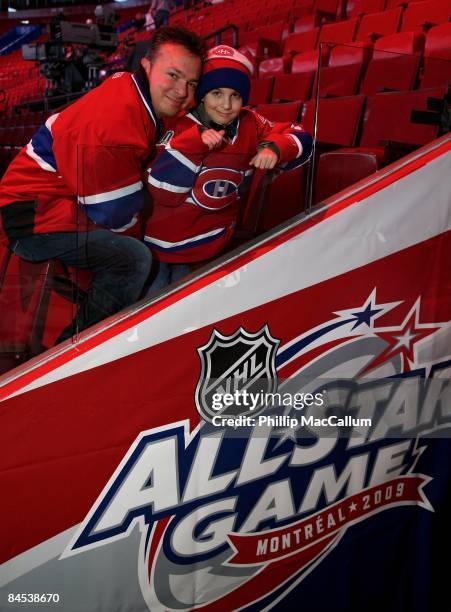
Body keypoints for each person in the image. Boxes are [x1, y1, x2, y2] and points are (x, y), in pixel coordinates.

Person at [0, 27, 204, 343]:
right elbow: (114, 215)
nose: (184, 92)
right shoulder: (116, 122)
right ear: (148, 68)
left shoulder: (130, 89)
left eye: (191, 84)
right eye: (173, 76)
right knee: (133, 259)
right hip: (32, 218)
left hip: (49, 204)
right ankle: (76, 351)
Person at [143, 45, 313, 293]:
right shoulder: (175, 123)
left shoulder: (250, 121)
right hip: (160, 245)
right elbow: (165, 193)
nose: (226, 105)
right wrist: (193, 144)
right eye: (216, 93)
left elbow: (300, 135)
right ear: (202, 95)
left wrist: (274, 149)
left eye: (235, 95)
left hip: (213, 245)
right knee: (151, 315)